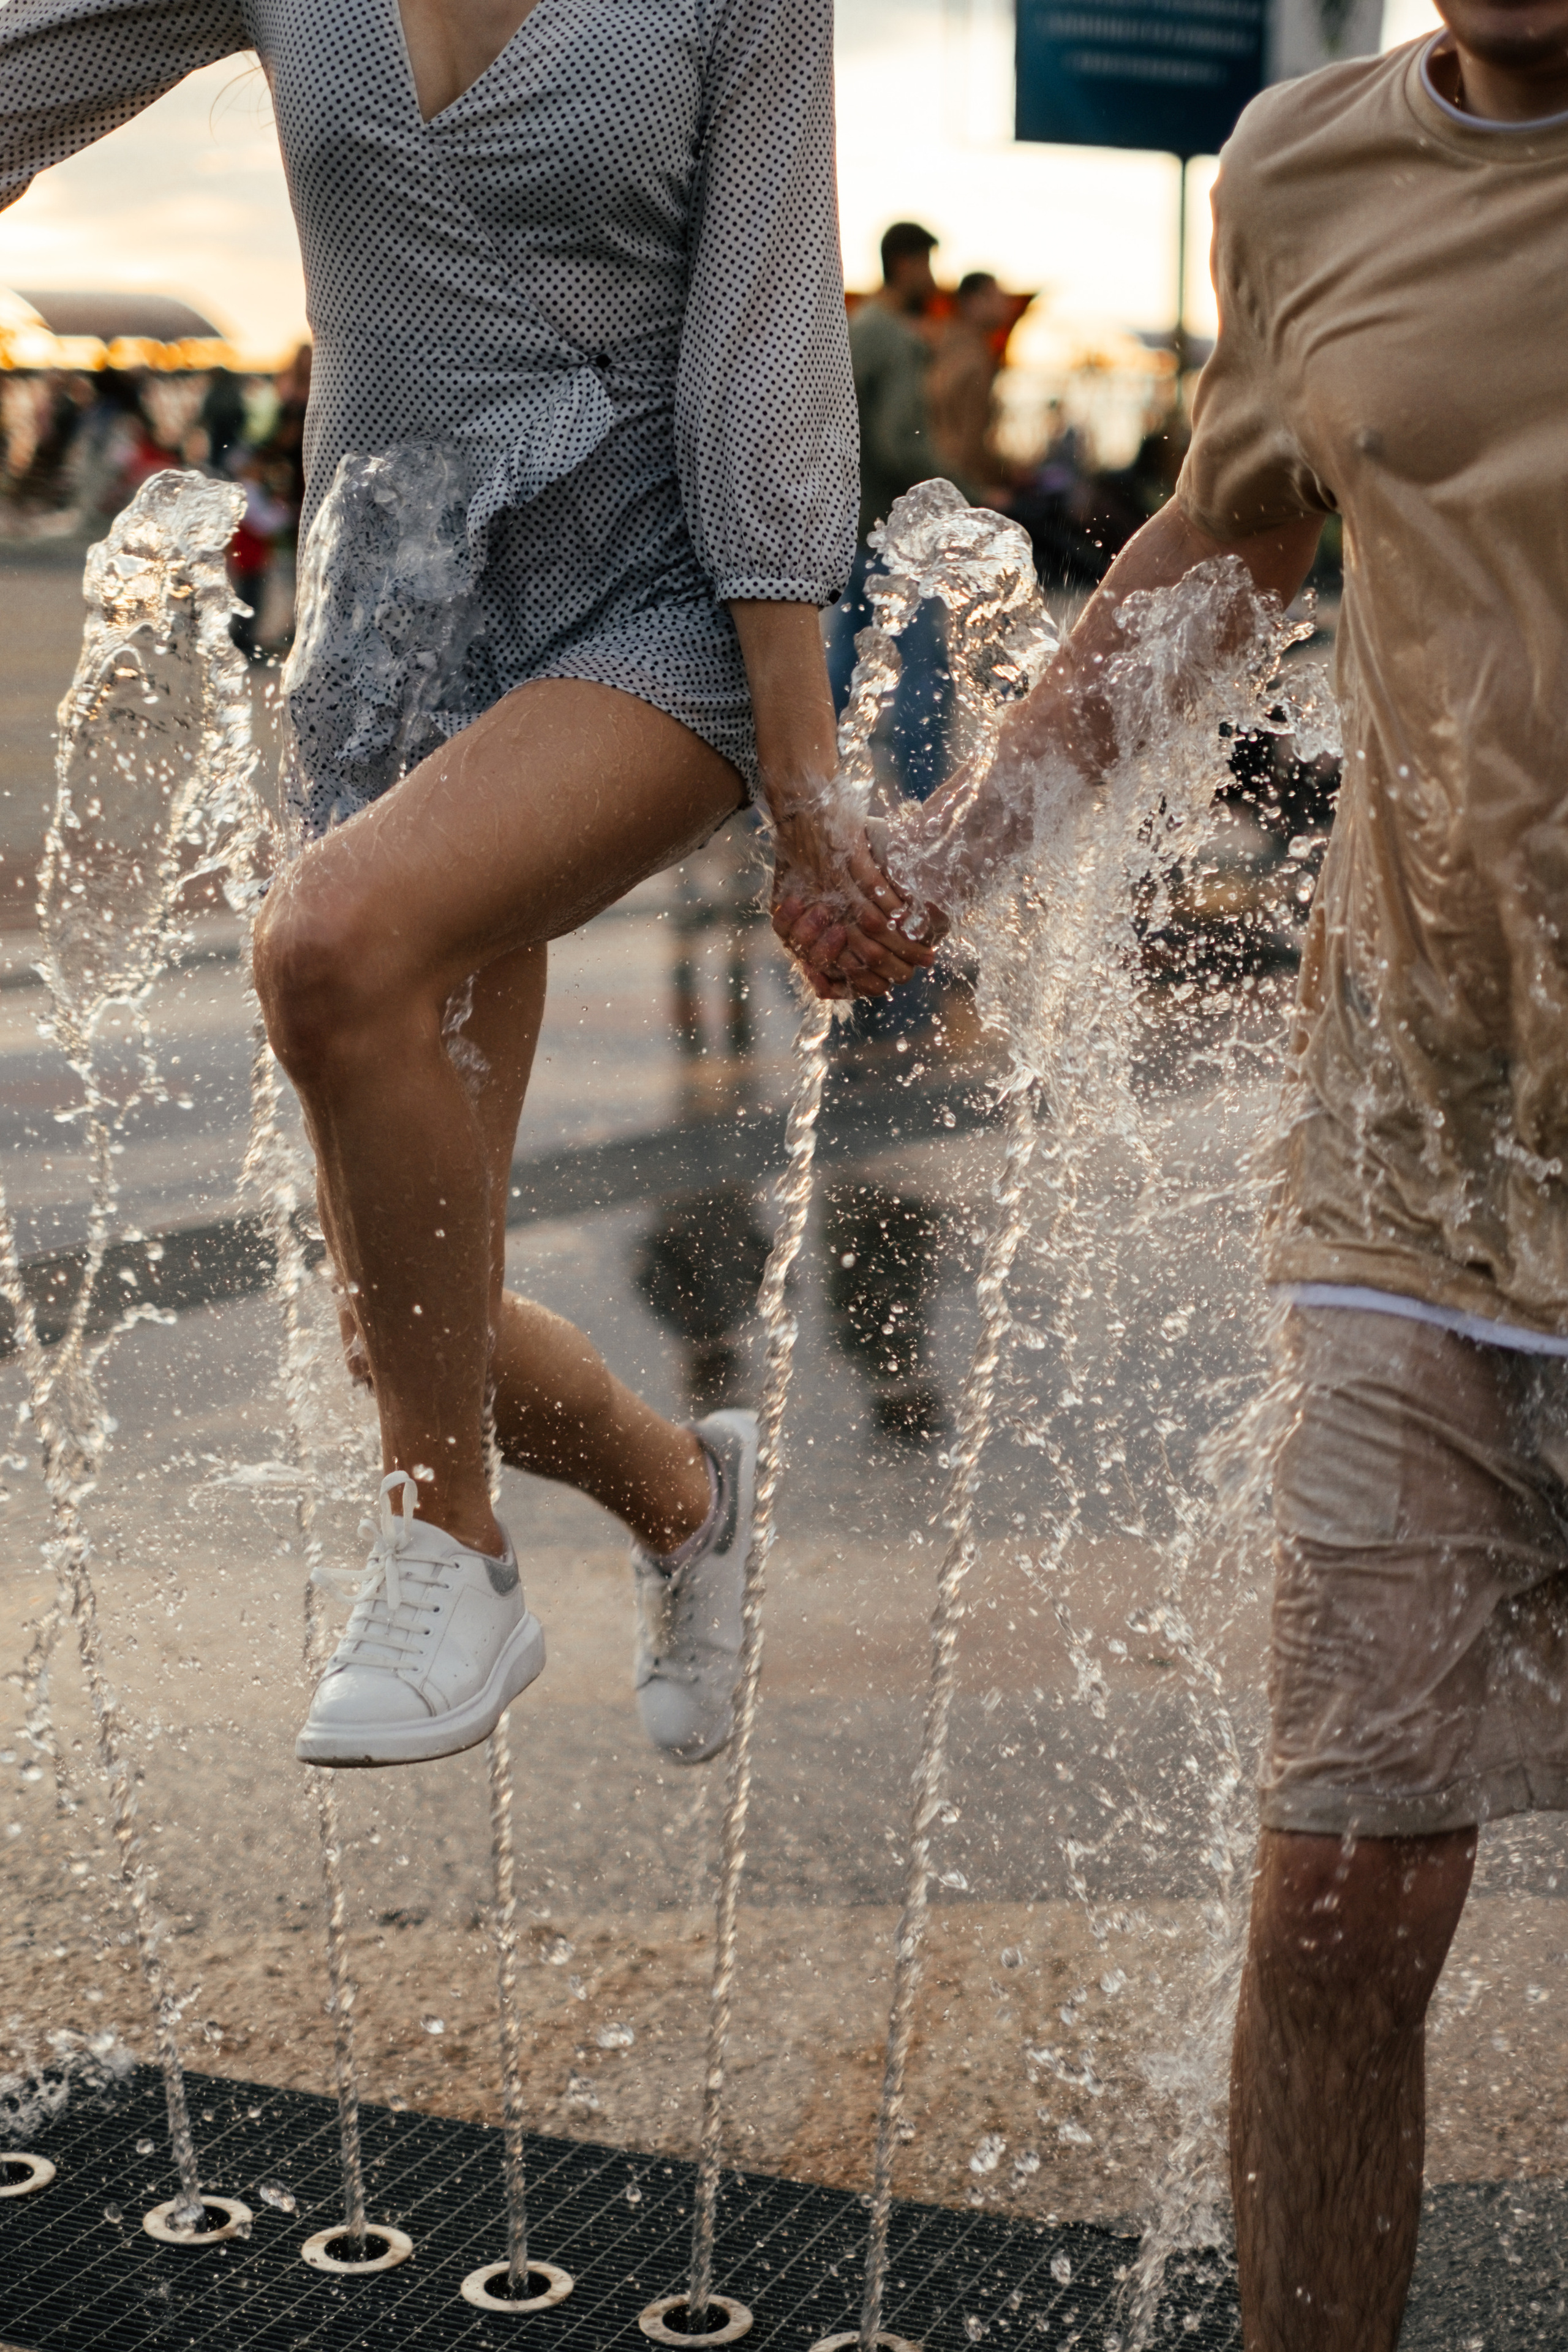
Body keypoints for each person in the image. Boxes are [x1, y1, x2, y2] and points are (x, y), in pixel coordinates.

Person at [777, 2, 1568, 2344]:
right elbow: (1218, 556)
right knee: (1333, 1900)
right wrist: (959, 854)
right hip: (1409, 1155)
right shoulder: (1305, 166)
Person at [1, 0, 932, 1774]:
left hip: (652, 618)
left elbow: (761, 363)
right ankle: (682, 1498)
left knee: (333, 944)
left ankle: (450, 1548)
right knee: (403, 1322)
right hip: (398, 648)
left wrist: (809, 797)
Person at [925, 269, 1009, 505]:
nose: (1007, 304)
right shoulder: (975, 357)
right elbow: (969, 438)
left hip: (935, 478)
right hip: (958, 487)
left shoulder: (943, 341)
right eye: (998, 297)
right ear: (974, 302)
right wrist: (999, 479)